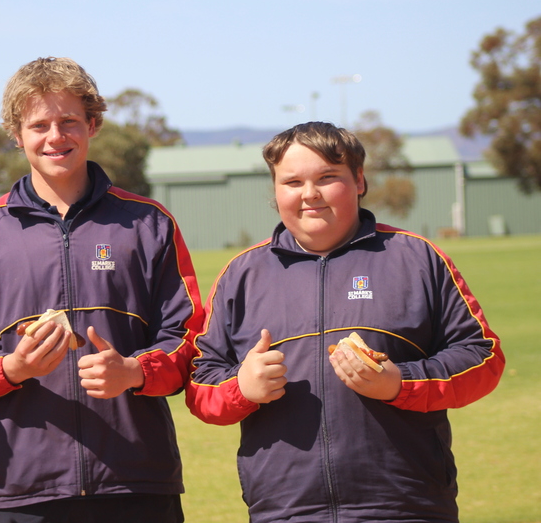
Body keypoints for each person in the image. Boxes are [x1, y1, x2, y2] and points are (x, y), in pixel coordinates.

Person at [185, 121, 505, 523]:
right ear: (275, 190)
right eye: (292, 182)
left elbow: (483, 358)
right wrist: (243, 388)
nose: (309, 194)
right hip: (285, 511)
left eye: (327, 177)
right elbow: (200, 385)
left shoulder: (417, 259)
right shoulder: (242, 274)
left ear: (359, 180)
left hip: (406, 506)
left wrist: (399, 383)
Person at [0, 57, 204, 522]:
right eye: (38, 125)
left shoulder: (149, 223)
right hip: (21, 490)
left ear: (93, 124)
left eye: (69, 121)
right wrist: (11, 368)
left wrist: (135, 371)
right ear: (16, 135)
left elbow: (190, 338)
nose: (55, 137)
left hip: (137, 484)